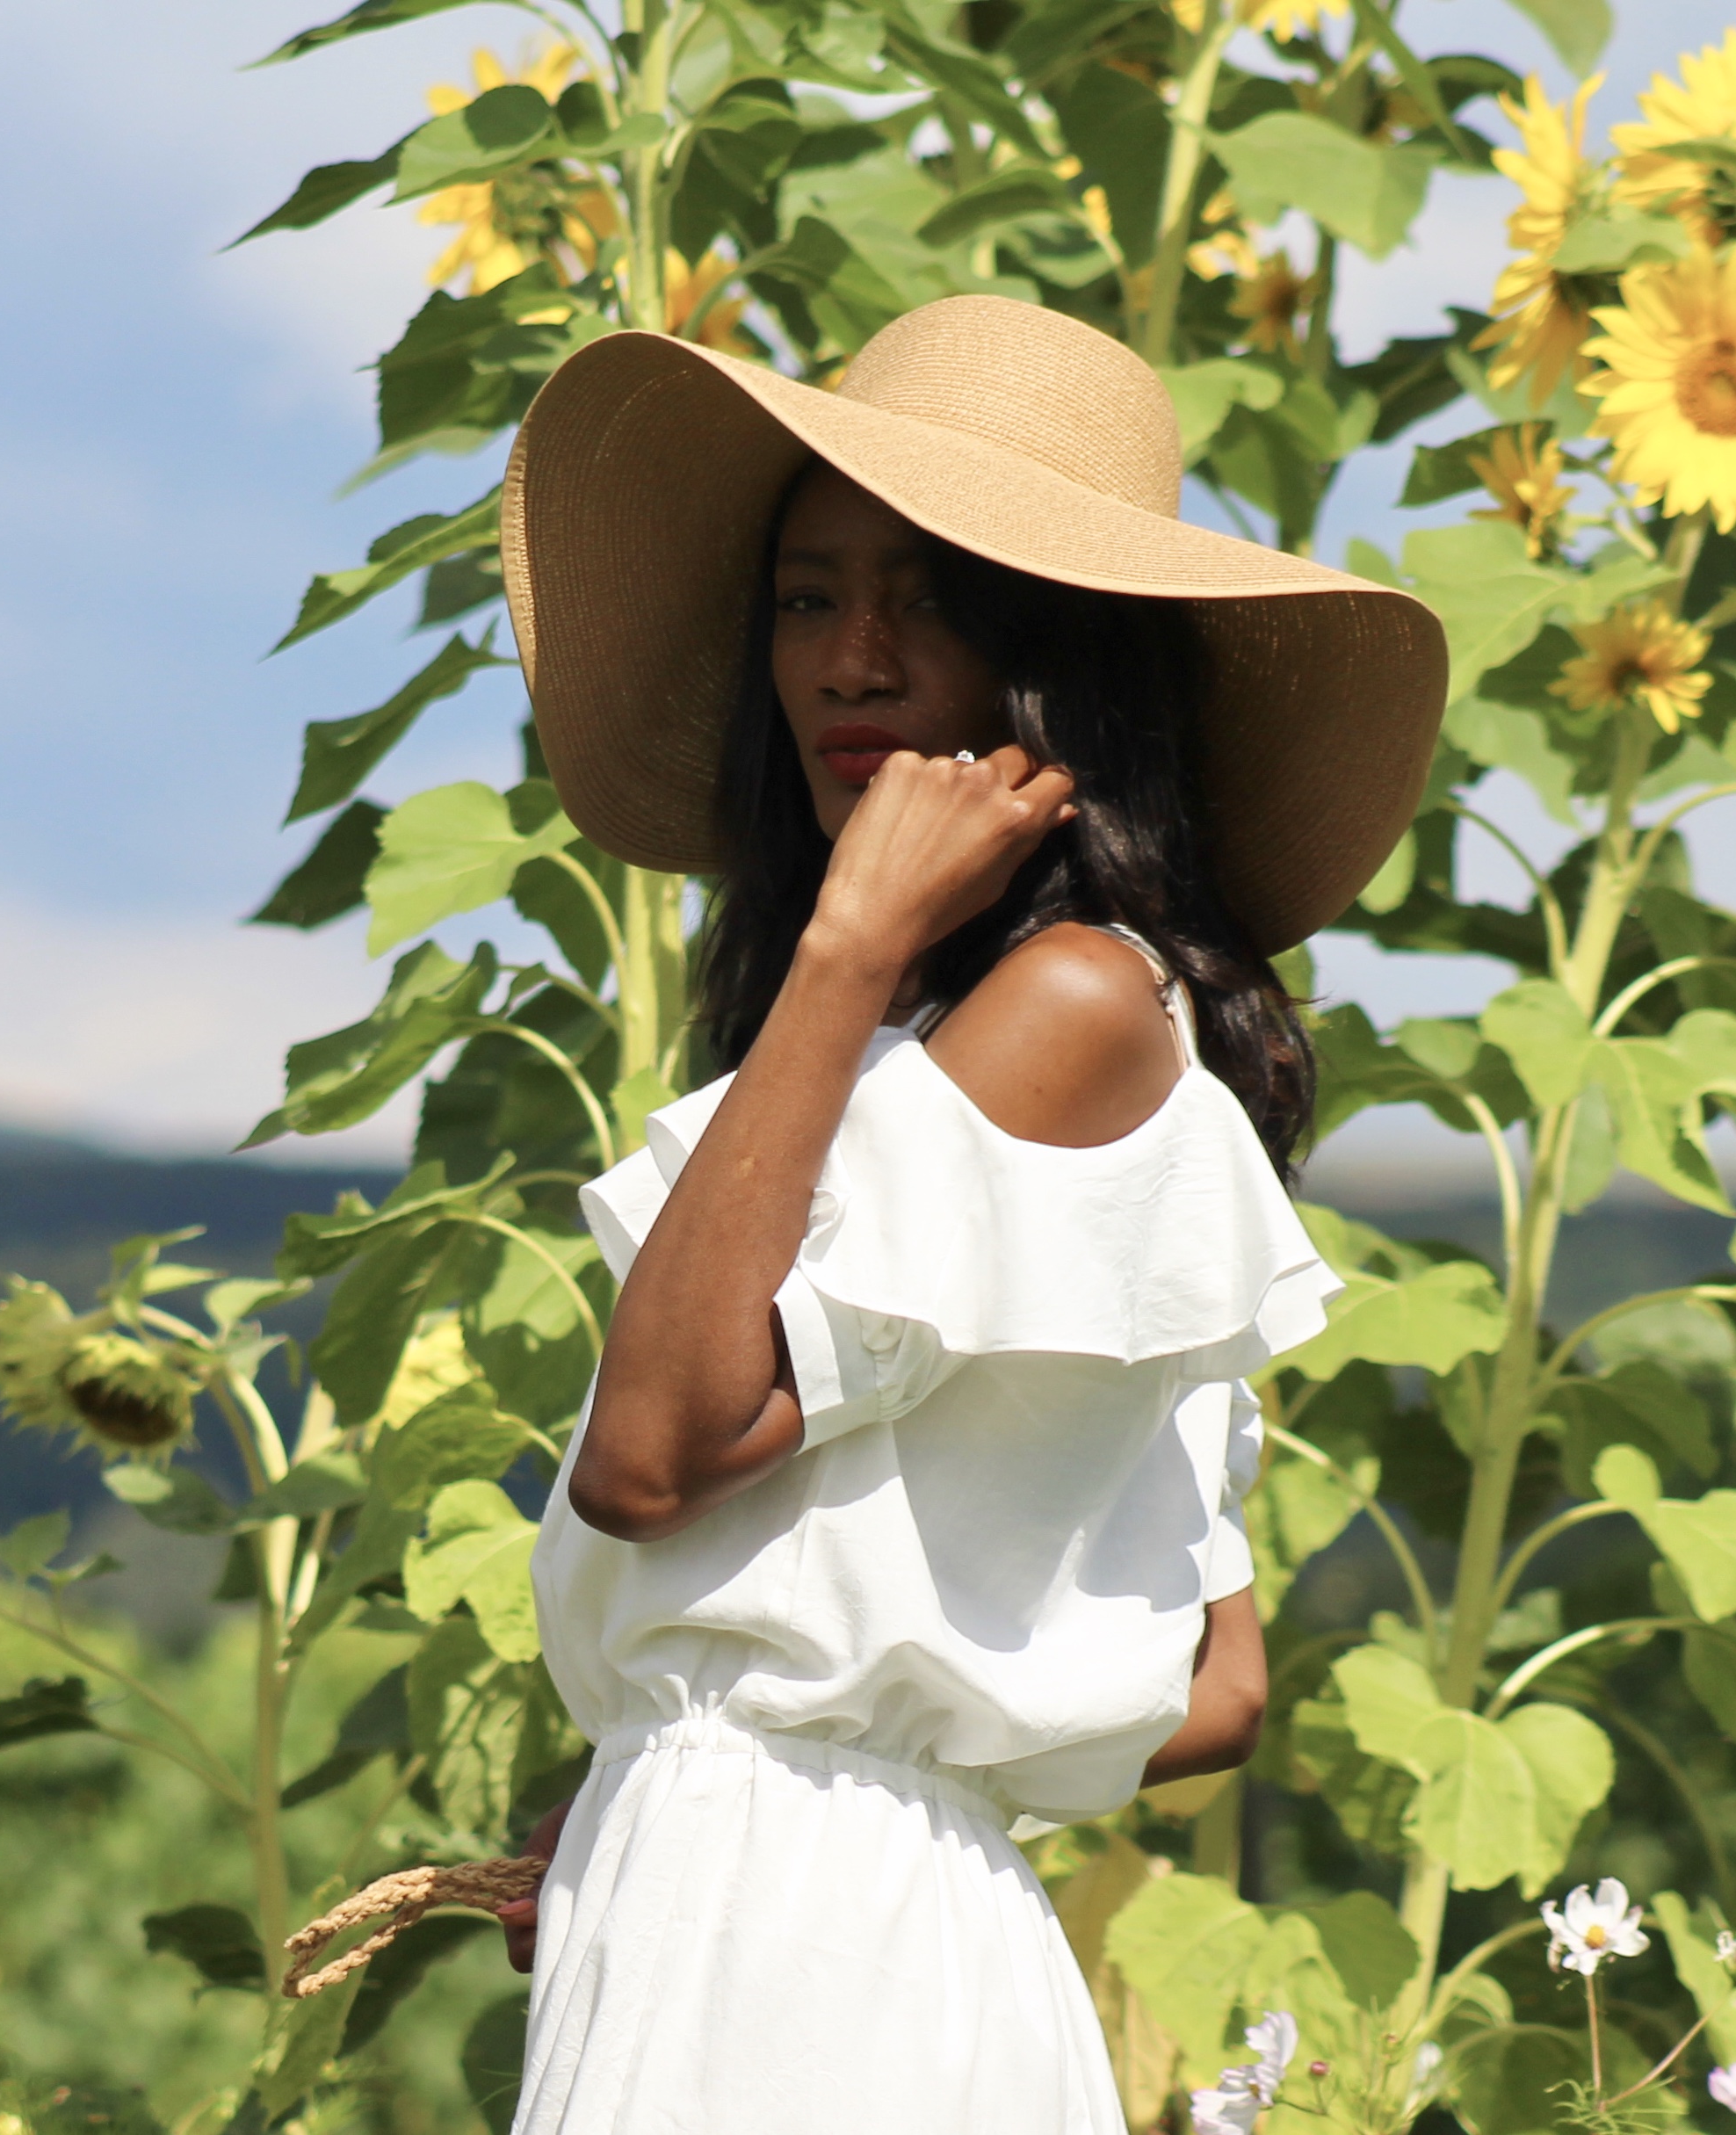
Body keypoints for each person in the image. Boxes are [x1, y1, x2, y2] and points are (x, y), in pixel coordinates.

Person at [484, 294, 1445, 2131]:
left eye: (934, 592)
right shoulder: (1002, 1036)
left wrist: (791, 1764)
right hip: (827, 1922)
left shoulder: (1062, 1008)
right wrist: (722, 1733)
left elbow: (653, 1456)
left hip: (807, 1965)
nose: (853, 659)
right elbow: (1216, 1677)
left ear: (1066, 655)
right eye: (806, 594)